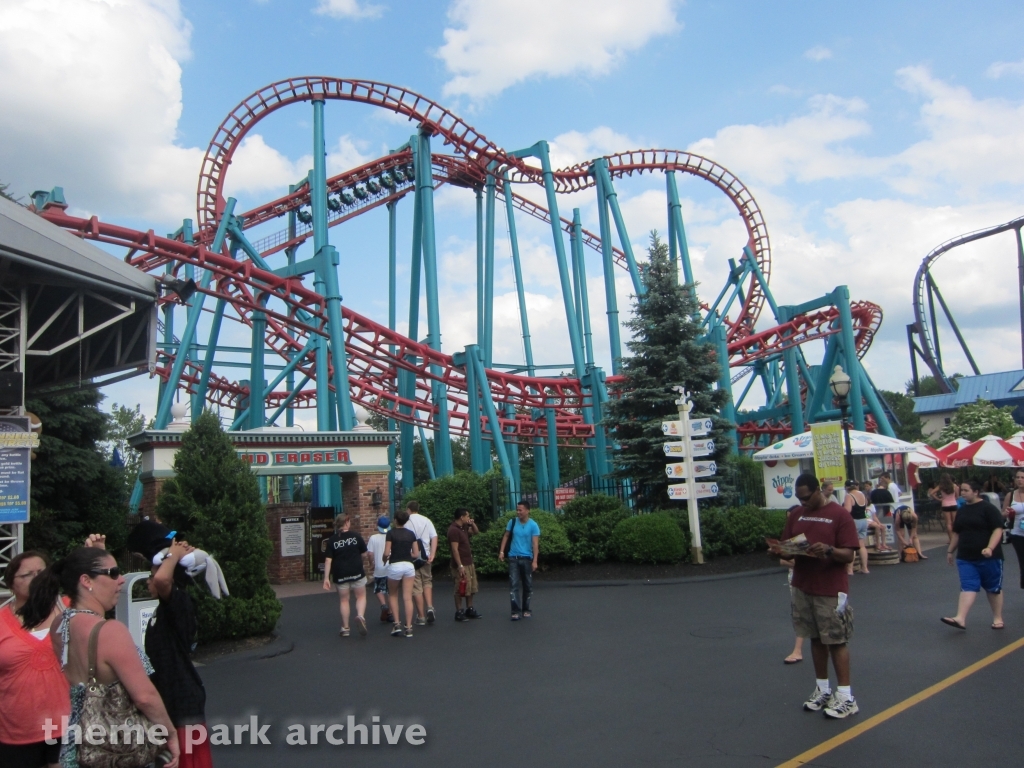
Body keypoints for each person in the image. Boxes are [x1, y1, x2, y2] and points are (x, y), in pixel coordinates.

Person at [21, 547, 180, 768]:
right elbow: (145, 696)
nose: (121, 580)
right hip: (114, 746)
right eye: (113, 573)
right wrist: (170, 734)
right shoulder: (110, 631)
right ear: (86, 581)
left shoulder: (60, 625)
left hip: (76, 745)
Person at [768, 474, 859, 719]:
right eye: (799, 498)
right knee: (815, 638)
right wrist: (778, 549)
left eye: (806, 497)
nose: (803, 502)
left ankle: (846, 696)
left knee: (836, 640)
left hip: (830, 588)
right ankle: (823, 689)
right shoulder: (797, 514)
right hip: (803, 584)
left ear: (819, 490)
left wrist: (829, 550)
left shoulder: (840, 515)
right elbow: (788, 547)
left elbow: (849, 554)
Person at [141, 536, 213, 768]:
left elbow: (163, 579)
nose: (149, 581)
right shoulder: (161, 610)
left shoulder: (180, 604)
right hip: (167, 704)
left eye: (151, 576)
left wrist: (174, 552)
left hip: (183, 705)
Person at [0, 551, 69, 768]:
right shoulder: (1, 620)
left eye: (42, 572)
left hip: (67, 727)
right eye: (28, 574)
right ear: (11, 584)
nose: (37, 578)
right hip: (17, 732)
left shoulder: (67, 608)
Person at [942, 479, 1006, 630]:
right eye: (962, 490)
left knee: (993, 588)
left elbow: (998, 529)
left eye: (965, 490)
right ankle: (960, 618)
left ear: (976, 492)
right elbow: (957, 533)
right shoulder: (962, 510)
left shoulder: (988, 509)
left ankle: (997, 618)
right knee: (968, 585)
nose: (962, 493)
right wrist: (950, 550)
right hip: (966, 557)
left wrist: (990, 548)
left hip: (989, 557)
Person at [322, 514, 371, 637]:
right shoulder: (355, 536)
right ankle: (360, 616)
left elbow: (328, 560)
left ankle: (345, 628)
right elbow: (365, 554)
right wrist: (361, 561)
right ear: (347, 522)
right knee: (360, 596)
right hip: (356, 571)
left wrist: (326, 578)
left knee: (344, 600)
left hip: (340, 573)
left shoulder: (332, 540)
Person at [498, 501, 541, 621]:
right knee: (514, 585)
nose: (518, 512)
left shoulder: (533, 525)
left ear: (527, 511)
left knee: (528, 585)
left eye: (520, 510)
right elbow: (506, 536)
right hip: (513, 558)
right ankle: (515, 611)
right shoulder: (512, 522)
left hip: (527, 558)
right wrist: (502, 551)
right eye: (517, 510)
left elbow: (535, 544)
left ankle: (526, 609)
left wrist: (535, 560)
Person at [383, 509, 421, 638]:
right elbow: (416, 554)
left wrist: (384, 560)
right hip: (409, 565)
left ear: (395, 520)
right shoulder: (411, 534)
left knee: (393, 594)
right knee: (407, 597)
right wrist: (407, 554)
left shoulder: (391, 533)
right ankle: (409, 627)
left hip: (395, 565)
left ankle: (397, 624)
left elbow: (386, 553)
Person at [405, 501, 438, 627]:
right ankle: (429, 607)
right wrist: (432, 554)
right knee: (427, 581)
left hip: (412, 557)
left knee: (416, 586)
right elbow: (434, 537)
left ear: (408, 509)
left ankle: (421, 616)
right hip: (426, 556)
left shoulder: (406, 521)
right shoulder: (426, 520)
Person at [447, 508, 481, 621]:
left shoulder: (464, 528)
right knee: (460, 587)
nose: (468, 518)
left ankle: (470, 608)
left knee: (470, 587)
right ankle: (459, 611)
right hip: (460, 564)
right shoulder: (453, 530)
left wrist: (472, 523)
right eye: (467, 516)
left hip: (469, 562)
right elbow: (455, 549)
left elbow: (476, 532)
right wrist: (460, 565)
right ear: (461, 517)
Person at [366, 516, 394, 624]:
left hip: (379, 567)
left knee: (378, 589)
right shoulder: (391, 536)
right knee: (391, 591)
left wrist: (371, 563)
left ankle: (383, 605)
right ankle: (390, 613)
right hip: (391, 567)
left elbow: (370, 553)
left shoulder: (373, 538)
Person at [843, 480, 871, 575]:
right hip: (863, 520)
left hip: (854, 521)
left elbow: (847, 510)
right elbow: (866, 505)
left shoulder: (849, 496)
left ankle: (850, 570)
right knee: (862, 545)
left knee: (852, 546)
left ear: (847, 487)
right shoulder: (862, 495)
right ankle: (865, 568)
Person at [1002, 468, 1024, 589]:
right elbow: (1002, 513)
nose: (1020, 480)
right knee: (1023, 563)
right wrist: (1007, 513)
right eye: (1018, 477)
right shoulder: (1010, 495)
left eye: (1022, 477)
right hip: (1017, 534)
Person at [929, 473, 959, 542]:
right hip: (954, 504)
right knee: (954, 522)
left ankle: (951, 539)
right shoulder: (954, 486)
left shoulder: (941, 486)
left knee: (948, 523)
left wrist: (938, 499)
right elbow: (957, 496)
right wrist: (954, 498)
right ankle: (956, 538)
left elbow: (931, 493)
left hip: (945, 504)